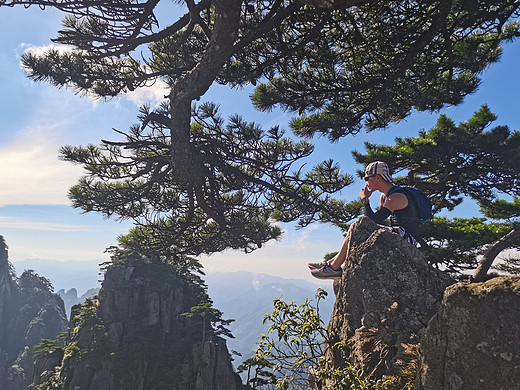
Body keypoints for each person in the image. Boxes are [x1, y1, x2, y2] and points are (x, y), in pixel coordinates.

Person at [309, 161, 420, 279]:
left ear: (378, 178)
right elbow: (375, 222)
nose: (366, 182)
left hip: (407, 238)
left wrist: (365, 199)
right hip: (398, 233)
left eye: (367, 178)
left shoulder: (396, 197)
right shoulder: (386, 197)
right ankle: (331, 263)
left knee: (356, 226)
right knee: (356, 227)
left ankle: (333, 268)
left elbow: (369, 221)